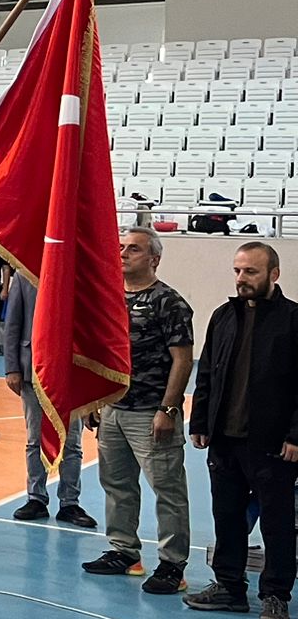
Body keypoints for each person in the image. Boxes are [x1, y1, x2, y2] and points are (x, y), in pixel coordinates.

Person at [185, 241, 298, 619]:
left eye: (250, 271)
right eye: (237, 270)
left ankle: (275, 596)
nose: (241, 278)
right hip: (224, 440)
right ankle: (230, 587)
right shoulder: (223, 316)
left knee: (277, 524)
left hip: (272, 444)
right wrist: (200, 422)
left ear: (273, 274)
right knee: (227, 516)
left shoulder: (293, 320)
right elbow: (207, 373)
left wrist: (295, 436)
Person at [83, 227, 194, 594]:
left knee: (167, 489)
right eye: (121, 247)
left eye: (134, 249)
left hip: (151, 412)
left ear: (154, 259)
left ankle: (172, 564)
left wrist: (168, 408)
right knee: (117, 485)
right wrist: (95, 399)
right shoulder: (109, 298)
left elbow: (182, 360)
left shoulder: (169, 302)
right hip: (113, 409)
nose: (123, 254)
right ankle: (124, 551)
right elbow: (101, 352)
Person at [4, 271, 95, 527]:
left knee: (72, 442)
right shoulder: (23, 275)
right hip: (33, 368)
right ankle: (36, 498)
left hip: (71, 371)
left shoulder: (81, 273)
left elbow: (91, 327)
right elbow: (12, 324)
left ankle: (70, 502)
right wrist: (12, 367)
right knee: (35, 439)